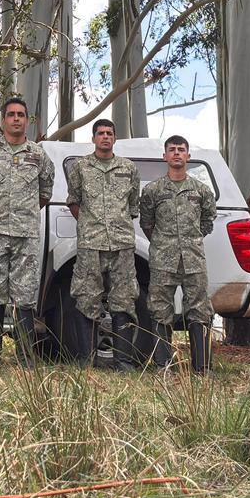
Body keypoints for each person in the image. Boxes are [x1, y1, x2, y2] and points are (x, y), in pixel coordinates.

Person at [0, 97, 54, 364]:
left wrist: (22, 216)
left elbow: (45, 193)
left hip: (26, 235)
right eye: (11, 114)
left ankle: (25, 358)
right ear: (3, 120)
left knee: (25, 295)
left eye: (21, 115)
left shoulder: (39, 155)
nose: (16, 119)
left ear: (26, 120)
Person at [138, 135, 217, 374]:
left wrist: (189, 241)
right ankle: (163, 365)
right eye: (171, 150)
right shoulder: (152, 191)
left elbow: (207, 222)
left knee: (199, 308)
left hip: (193, 259)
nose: (176, 153)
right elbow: (147, 223)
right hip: (163, 259)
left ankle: (202, 367)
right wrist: (164, 244)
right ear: (165, 156)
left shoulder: (201, 191)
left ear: (188, 157)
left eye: (181, 150)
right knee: (160, 308)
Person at [65, 118, 140, 370]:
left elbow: (132, 207)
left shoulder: (129, 168)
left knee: (125, 300)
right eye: (100, 133)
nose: (105, 137)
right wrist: (90, 225)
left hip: (122, 244)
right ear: (93, 138)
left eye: (109, 133)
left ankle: (123, 362)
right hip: (90, 244)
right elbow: (74, 200)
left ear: (115, 138)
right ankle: (87, 360)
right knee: (87, 298)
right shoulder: (81, 167)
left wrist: (115, 226)